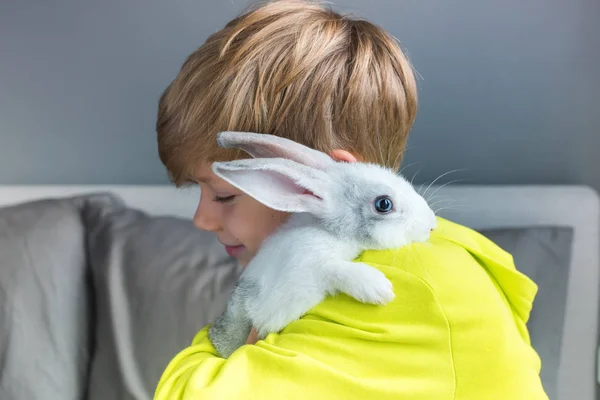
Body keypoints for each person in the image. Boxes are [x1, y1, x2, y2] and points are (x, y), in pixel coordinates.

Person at [153, 1, 548, 399]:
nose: (202, 219)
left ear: (329, 178)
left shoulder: (395, 289)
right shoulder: (425, 260)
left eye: (224, 195)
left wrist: (228, 337)